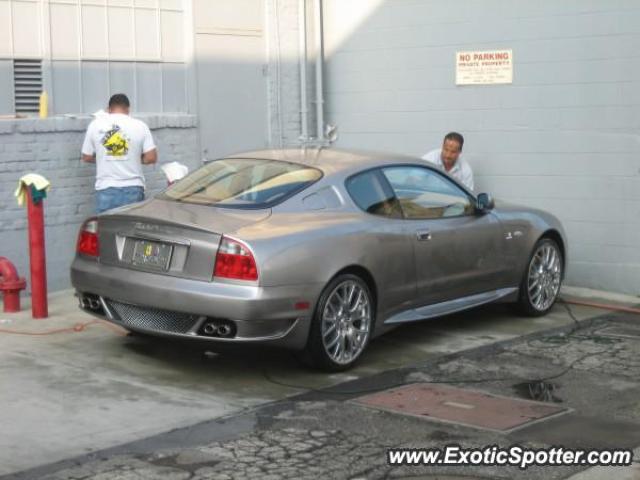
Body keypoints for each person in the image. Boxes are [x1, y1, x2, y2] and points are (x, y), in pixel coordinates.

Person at [81, 93, 158, 213]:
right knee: (131, 230)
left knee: (107, 229)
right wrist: (132, 157)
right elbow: (151, 158)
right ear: (128, 109)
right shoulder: (140, 126)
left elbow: (86, 156)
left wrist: (106, 156)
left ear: (109, 109)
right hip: (133, 188)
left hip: (106, 188)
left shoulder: (95, 125)